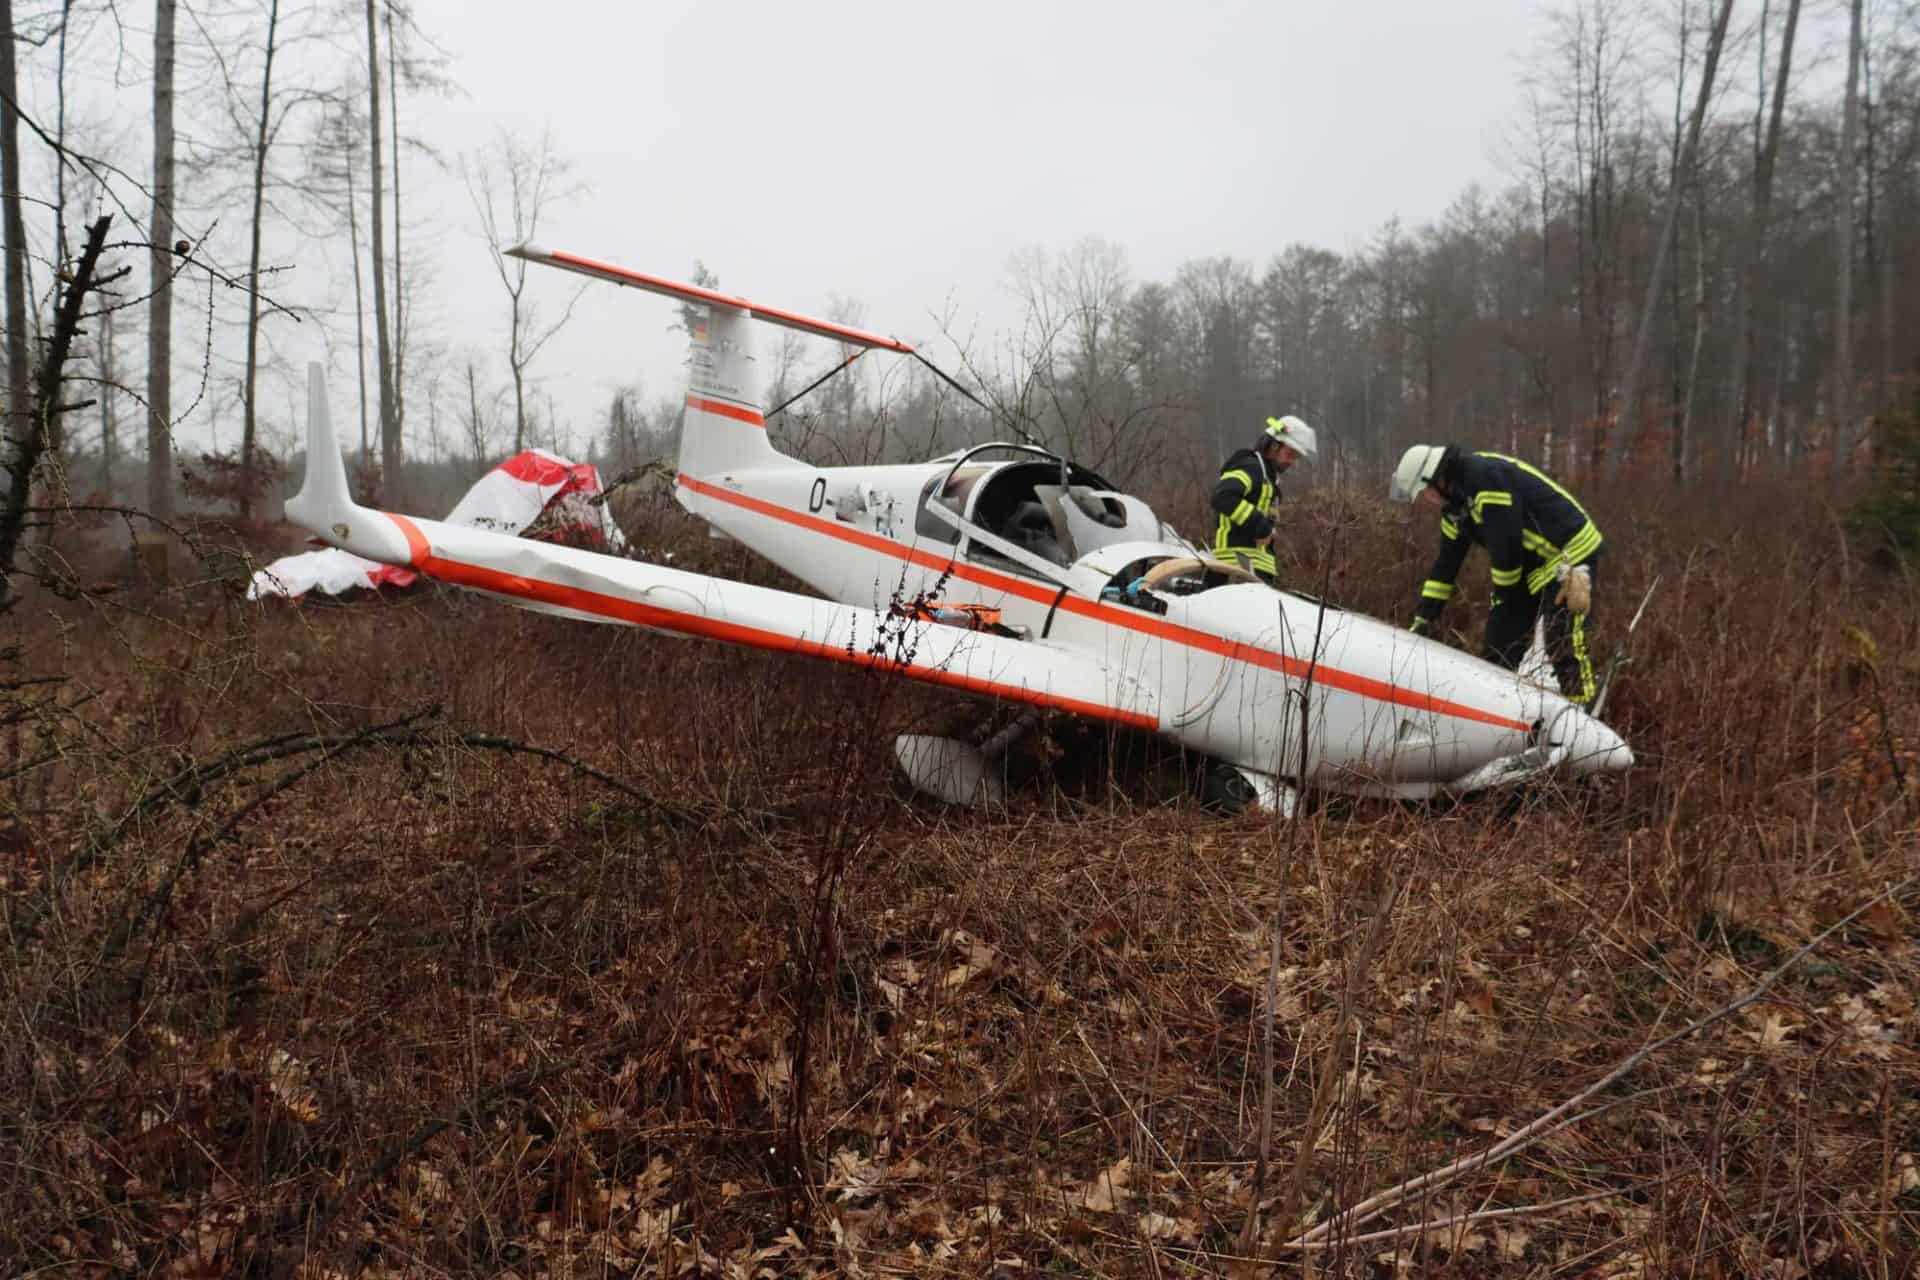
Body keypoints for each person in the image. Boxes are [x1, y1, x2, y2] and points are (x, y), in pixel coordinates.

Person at [1389, 444, 1602, 704]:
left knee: (1561, 637)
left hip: (1568, 551)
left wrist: (1504, 596)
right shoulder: (1454, 510)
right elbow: (1445, 567)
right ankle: (1494, 711)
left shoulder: (1484, 478)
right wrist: (1424, 618)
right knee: (1498, 647)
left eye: (1425, 492)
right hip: (1530, 563)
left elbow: (1507, 545)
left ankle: (1583, 708)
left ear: (1436, 478)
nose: (1427, 499)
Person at [1210, 415, 1319, 582]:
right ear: (1273, 446)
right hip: (1236, 568)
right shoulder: (1251, 468)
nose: (1291, 462)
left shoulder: (1267, 478)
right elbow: (1223, 496)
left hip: (1252, 568)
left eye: (1295, 457)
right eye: (1289, 454)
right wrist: (1260, 526)